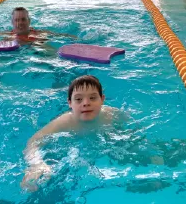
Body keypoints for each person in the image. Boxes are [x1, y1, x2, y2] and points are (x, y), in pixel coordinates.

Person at [20, 75, 166, 192]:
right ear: (70, 103)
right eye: (78, 99)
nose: (86, 103)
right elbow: (33, 142)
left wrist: (148, 151)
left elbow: (134, 133)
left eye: (92, 98)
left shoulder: (112, 115)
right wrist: (36, 164)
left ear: (102, 99)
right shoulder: (64, 123)